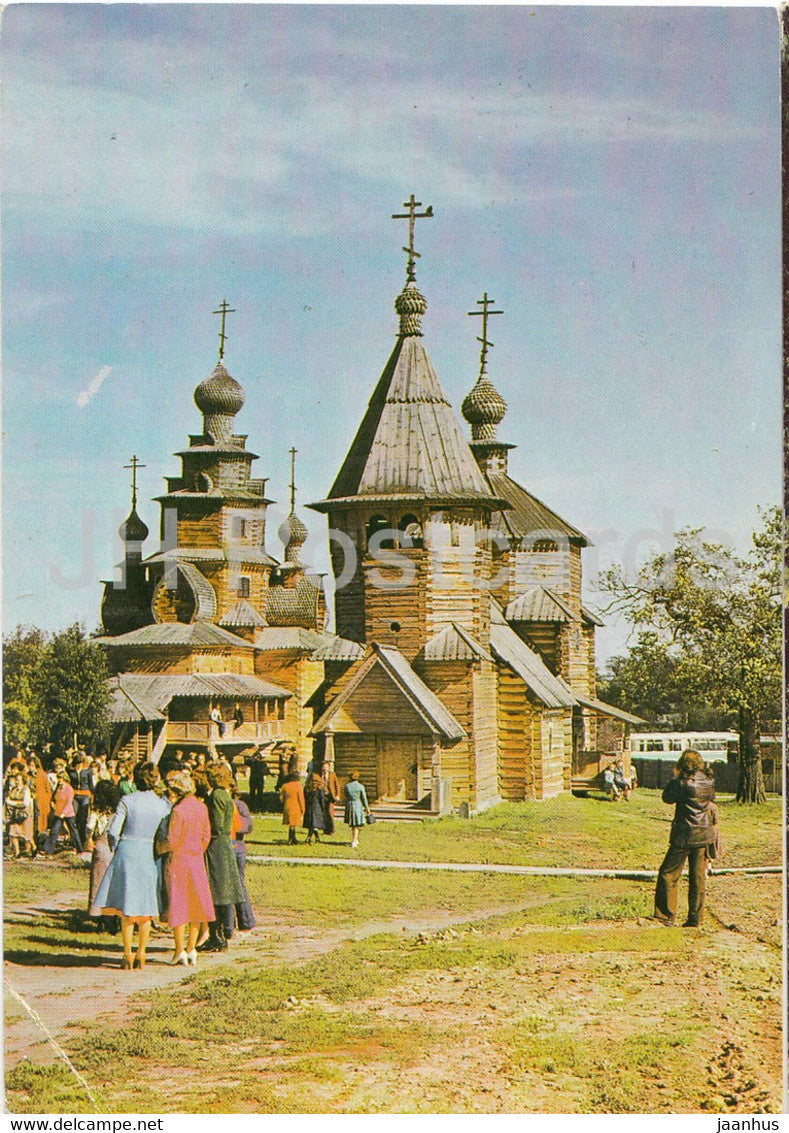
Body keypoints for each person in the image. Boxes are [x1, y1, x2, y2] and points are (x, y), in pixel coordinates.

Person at [93, 762, 171, 969]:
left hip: (127, 850)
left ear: (135, 779)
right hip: (148, 853)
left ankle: (127, 953)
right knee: (145, 908)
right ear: (155, 779)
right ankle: (142, 953)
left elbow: (113, 831)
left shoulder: (127, 800)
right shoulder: (162, 805)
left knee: (127, 907)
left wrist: (116, 847)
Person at [157, 771, 214, 966]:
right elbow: (206, 835)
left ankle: (179, 949)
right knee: (196, 904)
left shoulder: (178, 810)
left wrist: (160, 848)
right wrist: (197, 849)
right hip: (196, 859)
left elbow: (172, 840)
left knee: (179, 905)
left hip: (179, 860)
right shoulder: (202, 807)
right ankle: (192, 948)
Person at [653, 750, 716, 928]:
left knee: (669, 873)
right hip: (703, 834)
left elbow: (667, 798)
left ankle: (666, 915)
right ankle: (696, 919)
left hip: (684, 834)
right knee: (698, 878)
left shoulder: (682, 783)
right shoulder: (709, 781)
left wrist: (675, 777)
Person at [200, 763, 244, 952]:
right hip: (224, 844)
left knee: (215, 890)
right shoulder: (224, 794)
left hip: (216, 846)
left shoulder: (216, 796)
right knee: (220, 891)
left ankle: (216, 935)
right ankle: (218, 933)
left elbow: (217, 825)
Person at [86, 779, 122, 934]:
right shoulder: (117, 812)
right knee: (114, 885)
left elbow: (89, 827)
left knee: (98, 883)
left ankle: (99, 918)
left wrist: (88, 840)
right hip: (114, 848)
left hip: (100, 847)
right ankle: (114, 919)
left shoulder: (96, 812)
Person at [229, 784, 256, 932]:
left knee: (238, 884)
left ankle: (246, 920)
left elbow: (247, 826)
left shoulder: (239, 805)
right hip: (234, 846)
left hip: (237, 847)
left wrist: (233, 821)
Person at [43, 769, 83, 854]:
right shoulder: (58, 787)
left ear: (64, 778)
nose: (59, 781)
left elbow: (69, 802)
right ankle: (48, 850)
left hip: (68, 813)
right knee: (54, 831)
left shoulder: (69, 788)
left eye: (60, 779)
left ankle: (79, 848)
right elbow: (55, 798)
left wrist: (64, 813)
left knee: (73, 831)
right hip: (58, 812)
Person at [4, 772, 35, 857]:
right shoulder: (13, 790)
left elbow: (25, 803)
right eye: (16, 780)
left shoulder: (26, 790)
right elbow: (7, 799)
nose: (17, 782)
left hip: (25, 814)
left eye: (18, 780)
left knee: (27, 834)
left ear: (23, 780)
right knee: (13, 832)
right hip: (15, 815)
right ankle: (17, 852)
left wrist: (11, 803)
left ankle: (32, 848)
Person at [29, 754, 52, 848]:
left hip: (41, 802)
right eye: (29, 765)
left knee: (41, 823)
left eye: (31, 765)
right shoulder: (28, 775)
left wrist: (46, 801)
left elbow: (48, 790)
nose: (30, 767)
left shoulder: (42, 774)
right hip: (31, 801)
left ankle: (41, 844)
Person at [343, 771, 371, 849]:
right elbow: (364, 799)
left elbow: (345, 795)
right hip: (357, 805)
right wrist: (367, 809)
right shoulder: (360, 786)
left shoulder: (347, 786)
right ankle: (354, 840)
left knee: (353, 824)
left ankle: (355, 839)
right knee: (356, 825)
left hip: (350, 805)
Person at [280, 768, 305, 846]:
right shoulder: (298, 786)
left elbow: (281, 798)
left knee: (291, 824)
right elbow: (301, 799)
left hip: (287, 806)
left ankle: (292, 838)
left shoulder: (285, 786)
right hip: (295, 807)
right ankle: (291, 839)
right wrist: (303, 809)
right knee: (293, 824)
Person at [303, 771, 326, 844]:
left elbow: (304, 798)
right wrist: (323, 808)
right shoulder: (319, 789)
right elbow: (321, 799)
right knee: (314, 824)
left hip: (309, 807)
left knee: (311, 824)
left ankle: (315, 837)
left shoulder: (307, 788)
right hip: (317, 808)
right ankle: (310, 837)